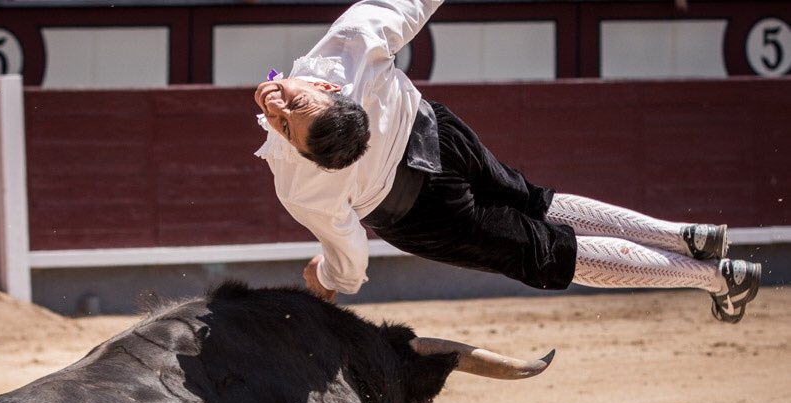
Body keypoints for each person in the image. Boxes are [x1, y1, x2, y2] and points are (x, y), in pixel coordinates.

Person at [252, 0, 761, 323]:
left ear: (326, 88)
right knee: (537, 202)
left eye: (292, 107)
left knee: (547, 252)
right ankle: (682, 236)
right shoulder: (353, 41)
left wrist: (334, 277)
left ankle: (719, 278)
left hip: (423, 213)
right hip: (440, 135)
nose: (275, 106)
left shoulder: (298, 183)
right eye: (284, 124)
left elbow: (350, 247)